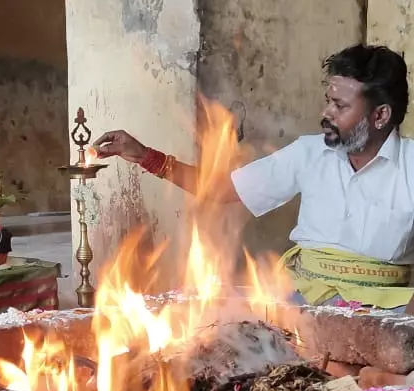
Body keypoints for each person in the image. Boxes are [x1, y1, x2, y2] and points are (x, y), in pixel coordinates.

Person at [94, 44, 414, 309]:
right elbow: (222, 189)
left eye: (339, 106)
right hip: (300, 302)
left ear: (381, 115)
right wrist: (146, 157)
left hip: (387, 312)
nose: (325, 113)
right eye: (328, 101)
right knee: (206, 317)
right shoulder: (309, 153)